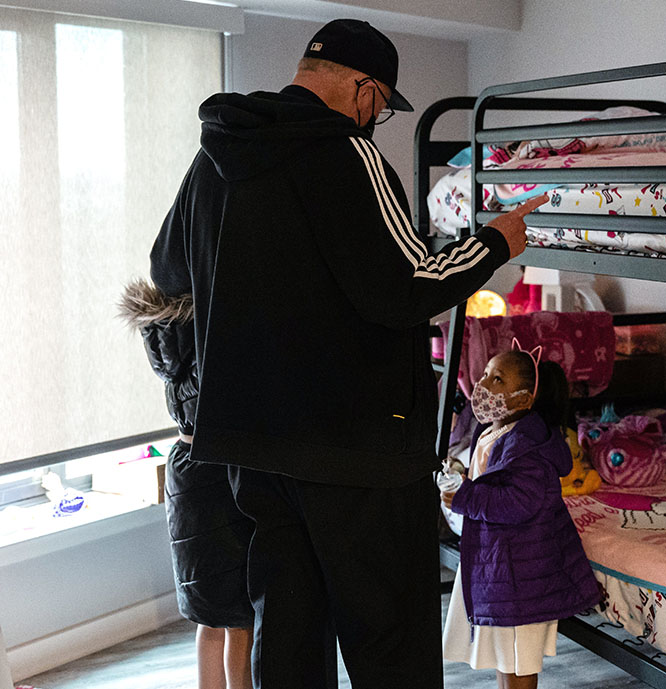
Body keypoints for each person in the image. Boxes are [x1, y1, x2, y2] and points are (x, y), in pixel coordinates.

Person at [147, 17, 547, 689]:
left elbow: (167, 271)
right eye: (382, 105)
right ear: (364, 90)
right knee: (389, 637)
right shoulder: (348, 155)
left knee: (290, 631)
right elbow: (407, 286)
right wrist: (496, 243)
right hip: (359, 447)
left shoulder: (214, 157)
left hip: (257, 446)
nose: (376, 119)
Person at [440, 344, 602, 689]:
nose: (483, 385)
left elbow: (519, 503)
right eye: (484, 374)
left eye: (497, 379)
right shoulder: (493, 434)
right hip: (503, 562)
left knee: (519, 661)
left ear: (524, 399)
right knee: (506, 657)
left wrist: (466, 496)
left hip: (523, 572)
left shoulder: (528, 447)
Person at [118, 280, 254, 689]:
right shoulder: (210, 341)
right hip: (217, 473)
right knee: (240, 622)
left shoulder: (168, 344)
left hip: (184, 468)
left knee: (208, 620)